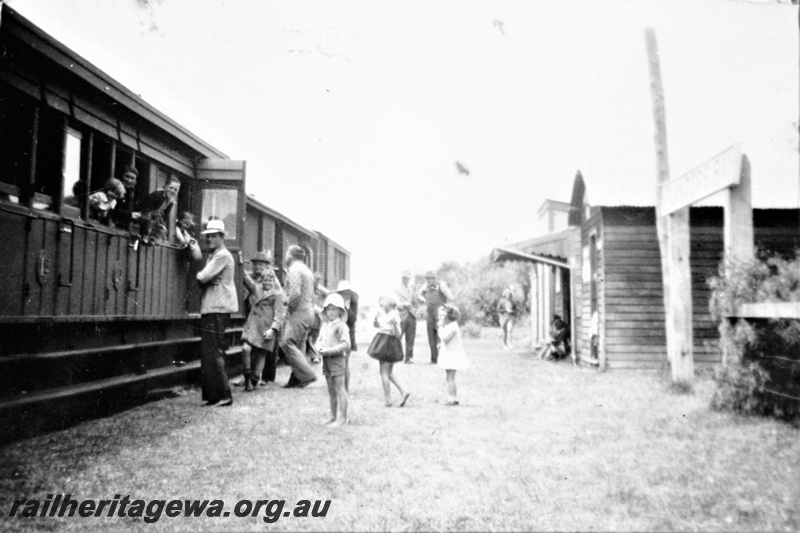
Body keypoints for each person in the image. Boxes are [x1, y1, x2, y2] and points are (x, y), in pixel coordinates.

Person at [195, 218, 238, 407]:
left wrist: (202, 277)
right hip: (212, 307)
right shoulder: (215, 256)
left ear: (222, 237)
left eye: (213, 236)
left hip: (217, 308)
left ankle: (224, 395)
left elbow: (202, 277)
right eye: (208, 236)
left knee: (214, 351)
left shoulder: (222, 255)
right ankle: (213, 395)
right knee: (209, 352)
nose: (209, 239)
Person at [240, 251, 285, 391]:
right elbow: (246, 279)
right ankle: (248, 377)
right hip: (253, 322)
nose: (258, 267)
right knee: (247, 349)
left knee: (262, 353)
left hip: (267, 324)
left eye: (261, 264)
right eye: (256, 264)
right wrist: (240, 261)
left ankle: (257, 378)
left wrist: (274, 328)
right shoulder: (256, 286)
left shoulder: (275, 289)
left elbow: (280, 309)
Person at [280, 245, 318, 388]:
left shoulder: (294, 270)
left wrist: (289, 309)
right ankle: (297, 380)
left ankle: (307, 375)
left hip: (299, 311)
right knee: (299, 345)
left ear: (290, 256)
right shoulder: (307, 270)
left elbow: (295, 294)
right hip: (309, 311)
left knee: (286, 342)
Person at [367, 294, 410, 407]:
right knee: (389, 373)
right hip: (385, 342)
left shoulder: (394, 315)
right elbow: (377, 325)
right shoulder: (382, 313)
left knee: (384, 372)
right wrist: (375, 320)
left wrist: (395, 325)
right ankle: (403, 391)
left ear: (391, 303)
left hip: (387, 343)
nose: (381, 304)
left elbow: (399, 333)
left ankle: (388, 399)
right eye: (380, 302)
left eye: (383, 301)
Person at [316, 293, 351, 427]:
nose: (330, 312)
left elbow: (346, 344)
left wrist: (330, 351)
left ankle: (342, 418)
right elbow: (319, 340)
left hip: (337, 361)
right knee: (331, 390)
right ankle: (333, 416)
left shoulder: (341, 326)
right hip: (326, 361)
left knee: (339, 389)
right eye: (328, 309)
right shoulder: (325, 326)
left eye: (334, 309)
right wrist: (319, 348)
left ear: (340, 311)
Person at [417, 271, 453, 364]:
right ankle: (434, 359)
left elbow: (450, 297)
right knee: (431, 336)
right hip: (430, 313)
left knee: (441, 336)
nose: (428, 280)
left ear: (435, 278)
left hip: (440, 312)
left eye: (430, 278)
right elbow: (419, 294)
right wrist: (423, 299)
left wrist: (446, 308)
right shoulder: (427, 286)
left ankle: (444, 358)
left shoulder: (441, 285)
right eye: (427, 278)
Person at [437, 304, 469, 406]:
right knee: (449, 377)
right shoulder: (451, 326)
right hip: (450, 353)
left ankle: (452, 399)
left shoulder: (453, 327)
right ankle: (452, 397)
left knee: (450, 378)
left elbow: (445, 338)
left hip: (452, 355)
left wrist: (440, 327)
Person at [138, 176, 180, 242]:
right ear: (165, 187)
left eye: (175, 190)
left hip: (153, 219)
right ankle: (145, 236)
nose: (172, 191)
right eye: (171, 188)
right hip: (142, 216)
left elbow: (165, 217)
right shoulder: (157, 195)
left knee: (162, 229)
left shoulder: (170, 201)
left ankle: (152, 238)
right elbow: (146, 210)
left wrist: (160, 227)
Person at [394, 270, 417, 364]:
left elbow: (415, 302)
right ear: (401, 278)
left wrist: (416, 310)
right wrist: (403, 304)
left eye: (407, 278)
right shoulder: (396, 289)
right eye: (404, 278)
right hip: (401, 315)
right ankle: (396, 356)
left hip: (411, 315)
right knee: (398, 336)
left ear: (409, 279)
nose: (406, 279)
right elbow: (394, 303)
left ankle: (408, 358)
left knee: (411, 337)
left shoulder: (411, 289)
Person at [307, 272, 329, 365]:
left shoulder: (320, 289)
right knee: (311, 336)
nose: (316, 282)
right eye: (315, 280)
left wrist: (322, 307)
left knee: (316, 335)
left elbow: (329, 294)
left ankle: (317, 356)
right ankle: (315, 356)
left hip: (318, 315)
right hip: (310, 314)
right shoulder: (308, 289)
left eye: (318, 280)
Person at [336, 280, 359, 352]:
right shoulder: (339, 301)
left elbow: (352, 320)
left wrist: (347, 307)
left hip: (348, 331)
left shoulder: (353, 302)